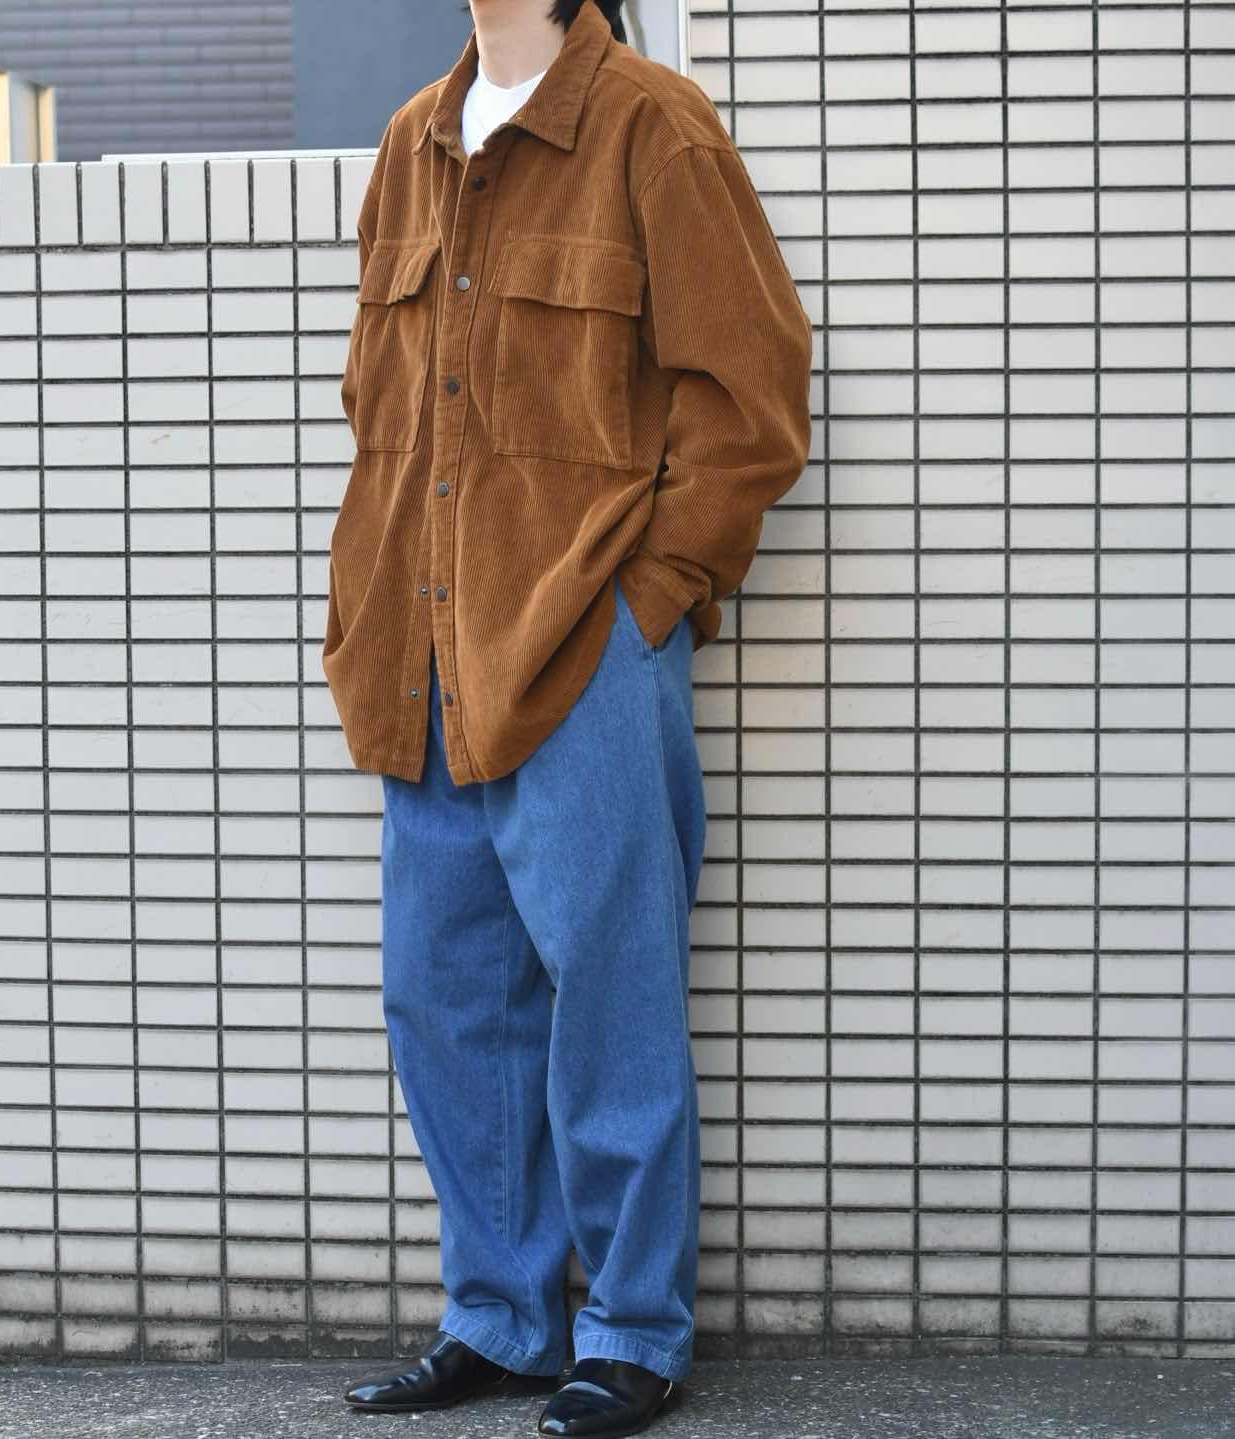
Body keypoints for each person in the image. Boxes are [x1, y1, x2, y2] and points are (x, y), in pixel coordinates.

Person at [325, 1, 813, 1433]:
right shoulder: (413, 140)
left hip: (583, 642)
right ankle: (501, 1315)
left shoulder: (654, 126)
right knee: (444, 1000)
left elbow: (752, 395)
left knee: (612, 1000)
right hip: (423, 651)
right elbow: (380, 405)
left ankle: (635, 1330)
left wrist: (650, 598)